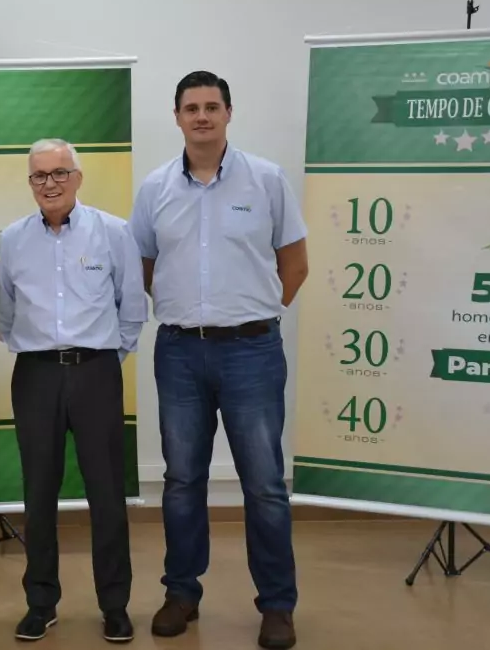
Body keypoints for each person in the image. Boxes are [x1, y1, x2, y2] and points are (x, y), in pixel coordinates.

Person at [128, 71, 308, 650]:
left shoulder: (267, 180)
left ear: (229, 113)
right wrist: (191, 313)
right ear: (176, 116)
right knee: (182, 481)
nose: (201, 116)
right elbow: (144, 268)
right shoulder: (155, 188)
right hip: (180, 351)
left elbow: (295, 263)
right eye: (191, 108)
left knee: (264, 486)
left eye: (212, 107)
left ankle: (277, 605)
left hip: (253, 351)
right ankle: (181, 593)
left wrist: (250, 311)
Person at [0, 139, 147, 643]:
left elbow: (131, 307)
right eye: (39, 176)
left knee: (107, 493)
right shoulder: (12, 239)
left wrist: (103, 358)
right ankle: (41, 602)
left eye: (60, 173)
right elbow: (6, 310)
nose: (50, 184)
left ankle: (115, 604)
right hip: (35, 375)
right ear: (30, 182)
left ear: (78, 178)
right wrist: (43, 353)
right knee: (38, 493)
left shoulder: (113, 232)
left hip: (97, 372)